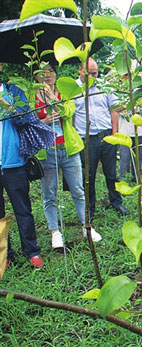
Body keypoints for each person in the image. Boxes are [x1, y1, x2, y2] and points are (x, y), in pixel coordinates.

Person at [34, 64, 102, 248]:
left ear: (55, 74)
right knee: (49, 192)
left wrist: (52, 98)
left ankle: (86, 226)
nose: (47, 75)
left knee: (78, 189)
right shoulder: (31, 95)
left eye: (50, 71)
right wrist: (43, 121)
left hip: (68, 148)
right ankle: (55, 232)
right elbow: (29, 121)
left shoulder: (65, 91)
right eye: (42, 72)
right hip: (47, 150)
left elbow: (69, 111)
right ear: (36, 76)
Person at [73, 58, 129, 218]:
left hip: (107, 136)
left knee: (111, 173)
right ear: (79, 70)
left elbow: (113, 110)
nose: (92, 76)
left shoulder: (104, 86)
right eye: (88, 72)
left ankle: (116, 202)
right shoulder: (73, 89)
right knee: (88, 176)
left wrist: (115, 133)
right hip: (86, 139)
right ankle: (90, 208)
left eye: (95, 73)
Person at [0, 64, 43, 269]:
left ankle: (32, 251)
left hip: (13, 162)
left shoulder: (13, 92)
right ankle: (4, 254)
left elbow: (25, 118)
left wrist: (6, 104)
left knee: (22, 208)